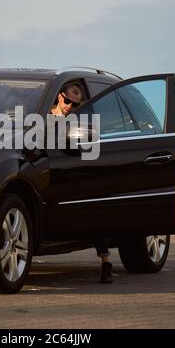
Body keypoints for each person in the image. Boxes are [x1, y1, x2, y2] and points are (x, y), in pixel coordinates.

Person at [51, 83, 113, 284]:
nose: (69, 106)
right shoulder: (43, 117)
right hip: (49, 174)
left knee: (91, 209)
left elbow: (85, 146)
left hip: (73, 174)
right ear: (60, 96)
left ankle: (106, 261)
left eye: (75, 105)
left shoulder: (79, 121)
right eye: (67, 101)